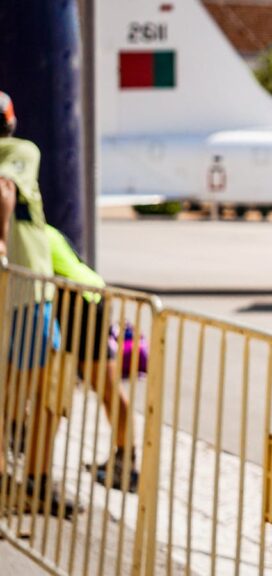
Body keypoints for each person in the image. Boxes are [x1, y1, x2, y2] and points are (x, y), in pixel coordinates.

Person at [0, 90, 78, 519]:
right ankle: (35, 481)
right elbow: (5, 186)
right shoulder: (20, 150)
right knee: (52, 389)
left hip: (17, 293)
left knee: (14, 390)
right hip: (27, 293)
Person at [46, 224, 139, 493]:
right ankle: (125, 459)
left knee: (104, 386)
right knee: (105, 387)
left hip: (81, 301)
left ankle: (126, 463)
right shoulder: (39, 226)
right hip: (84, 296)